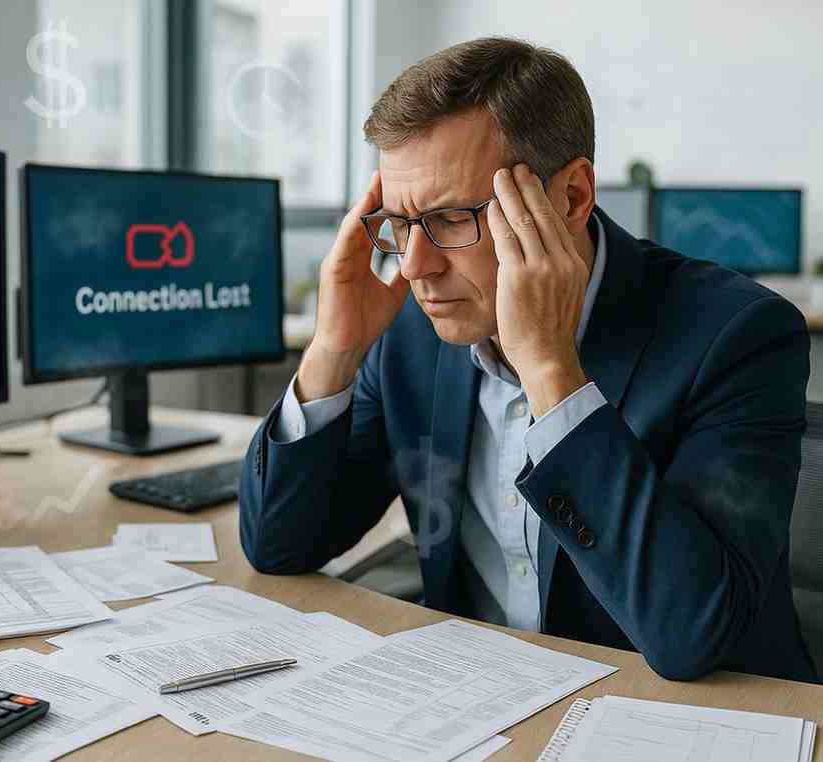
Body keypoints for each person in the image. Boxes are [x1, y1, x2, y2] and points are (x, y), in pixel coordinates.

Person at [238, 36, 817, 683]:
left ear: (570, 199)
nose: (417, 266)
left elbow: (691, 634)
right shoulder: (409, 330)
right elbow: (279, 546)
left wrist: (551, 372)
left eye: (452, 218)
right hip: (475, 702)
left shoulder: (736, 335)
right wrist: (333, 352)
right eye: (398, 223)